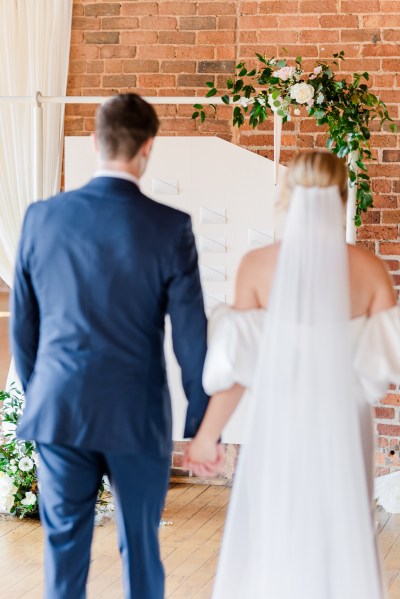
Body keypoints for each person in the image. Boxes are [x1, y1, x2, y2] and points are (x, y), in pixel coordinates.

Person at [10, 93, 209, 599]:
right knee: (140, 547)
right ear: (148, 147)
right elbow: (191, 335)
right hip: (136, 414)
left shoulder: (39, 218)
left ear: (96, 142)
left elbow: (23, 329)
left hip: (60, 410)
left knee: (64, 550)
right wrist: (202, 426)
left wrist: (42, 392)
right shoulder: (170, 227)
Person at [184, 150, 400, 599]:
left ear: (288, 196)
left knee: (276, 528)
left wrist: (208, 435)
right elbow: (388, 362)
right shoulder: (369, 270)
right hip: (345, 423)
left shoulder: (257, 266)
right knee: (338, 531)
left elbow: (239, 367)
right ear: (343, 197)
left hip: (279, 419)